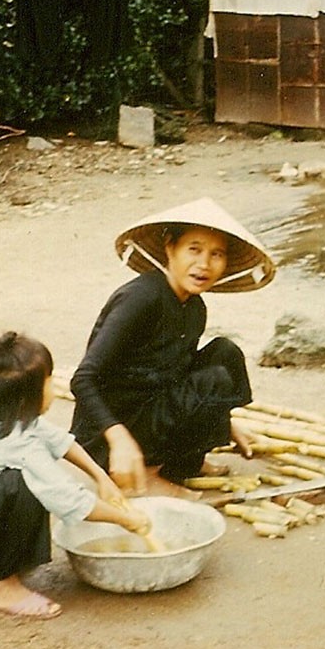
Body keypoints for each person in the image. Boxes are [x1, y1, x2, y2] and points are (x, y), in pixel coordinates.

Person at [0, 330, 149, 618]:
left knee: (27, 478)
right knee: (24, 482)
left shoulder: (2, 419)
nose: (53, 389)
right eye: (49, 383)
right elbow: (70, 499)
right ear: (26, 398)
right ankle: (0, 588)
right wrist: (129, 520)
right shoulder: (15, 442)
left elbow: (60, 441)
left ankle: (3, 568)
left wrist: (101, 478)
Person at [70, 197, 276, 498]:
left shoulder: (195, 309)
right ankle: (150, 476)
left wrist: (225, 423)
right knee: (212, 380)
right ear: (170, 248)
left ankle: (183, 464)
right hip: (108, 438)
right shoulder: (141, 298)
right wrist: (118, 440)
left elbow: (179, 372)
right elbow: (83, 379)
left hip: (150, 417)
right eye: (194, 249)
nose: (204, 264)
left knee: (225, 352)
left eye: (216, 254)